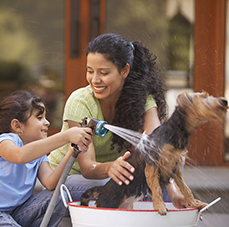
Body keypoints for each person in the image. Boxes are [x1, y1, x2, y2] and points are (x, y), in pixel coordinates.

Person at [49, 33, 187, 209]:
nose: (95, 80)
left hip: (118, 175)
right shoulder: (80, 102)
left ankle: (179, 210)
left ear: (125, 71)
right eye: (90, 71)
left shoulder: (141, 101)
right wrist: (110, 168)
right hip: (75, 178)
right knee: (132, 188)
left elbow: (157, 148)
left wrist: (174, 191)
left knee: (168, 169)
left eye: (104, 72)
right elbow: (86, 167)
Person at [0, 90, 93, 227]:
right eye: (40, 118)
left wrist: (71, 150)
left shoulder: (38, 152)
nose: (47, 122)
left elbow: (50, 183)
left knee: (58, 194)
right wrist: (65, 136)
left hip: (12, 215)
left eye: (45, 117)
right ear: (17, 125)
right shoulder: (5, 141)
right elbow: (20, 156)